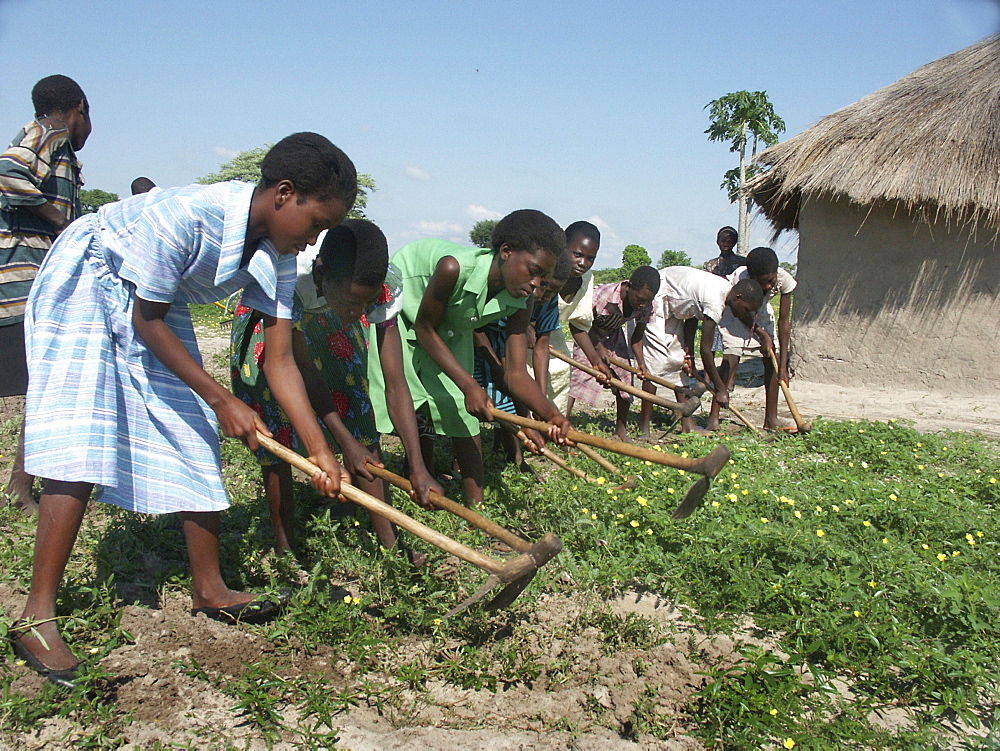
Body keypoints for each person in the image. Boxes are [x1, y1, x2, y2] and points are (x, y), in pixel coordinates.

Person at [12, 133, 355, 687]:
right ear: (284, 194)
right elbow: (146, 321)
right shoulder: (187, 216)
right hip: (92, 279)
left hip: (150, 300)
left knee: (192, 431)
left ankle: (210, 589)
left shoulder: (280, 255)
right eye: (315, 226)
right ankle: (37, 614)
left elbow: (282, 360)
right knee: (87, 433)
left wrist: (319, 451)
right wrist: (222, 399)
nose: (314, 241)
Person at [231, 219, 441, 558]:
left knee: (359, 411)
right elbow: (302, 373)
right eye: (352, 303)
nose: (358, 314)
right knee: (278, 435)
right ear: (320, 271)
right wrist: (344, 443)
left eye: (365, 304)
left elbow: (395, 382)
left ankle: (392, 547)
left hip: (325, 310)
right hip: (273, 325)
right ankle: (287, 552)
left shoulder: (377, 285)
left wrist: (416, 464)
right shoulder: (288, 275)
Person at [368, 209, 572, 506]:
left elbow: (515, 373)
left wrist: (551, 415)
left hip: (452, 321)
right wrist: (469, 385)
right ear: (506, 252)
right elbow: (425, 329)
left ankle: (476, 510)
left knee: (463, 414)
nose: (536, 285)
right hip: (403, 309)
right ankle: (411, 474)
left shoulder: (522, 299)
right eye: (534, 271)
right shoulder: (453, 268)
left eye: (543, 278)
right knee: (401, 393)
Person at [0, 75, 91, 515]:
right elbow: (6, 170)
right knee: (43, 382)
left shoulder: (56, 146)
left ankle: (21, 482)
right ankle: (21, 485)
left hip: (32, 281)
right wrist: (59, 220)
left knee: (43, 382)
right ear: (79, 107)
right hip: (24, 280)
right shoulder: (50, 133)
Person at [473, 249, 572, 470]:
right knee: (473, 405)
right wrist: (498, 369)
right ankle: (465, 464)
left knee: (510, 399)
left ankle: (516, 457)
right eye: (544, 286)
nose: (544, 295)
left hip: (506, 352)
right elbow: (475, 328)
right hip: (477, 347)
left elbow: (541, 347)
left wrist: (540, 400)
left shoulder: (546, 302)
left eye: (552, 290)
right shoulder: (516, 290)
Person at [640, 266, 763, 435]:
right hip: (659, 296)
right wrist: (721, 389)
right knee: (656, 362)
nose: (744, 314)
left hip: (674, 308)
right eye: (746, 309)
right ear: (738, 297)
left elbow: (692, 316)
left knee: (678, 359)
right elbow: (706, 351)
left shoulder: (724, 291)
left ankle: (688, 424)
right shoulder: (714, 302)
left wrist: (688, 353)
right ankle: (644, 429)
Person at [707, 247, 797, 431]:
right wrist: (760, 334)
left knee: (772, 363)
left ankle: (771, 419)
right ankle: (713, 417)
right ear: (751, 276)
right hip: (737, 315)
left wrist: (783, 365)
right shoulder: (740, 277)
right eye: (763, 283)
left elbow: (784, 322)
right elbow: (739, 310)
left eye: (771, 281)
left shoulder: (784, 279)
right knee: (730, 361)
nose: (769, 286)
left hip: (762, 316)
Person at [568, 265, 660, 440]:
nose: (643, 304)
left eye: (647, 301)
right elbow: (581, 323)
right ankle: (562, 421)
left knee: (625, 378)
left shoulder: (647, 306)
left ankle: (620, 429)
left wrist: (641, 362)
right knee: (579, 375)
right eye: (640, 299)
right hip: (588, 333)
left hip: (614, 334)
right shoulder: (604, 295)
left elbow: (636, 338)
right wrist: (598, 348)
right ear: (629, 286)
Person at [535, 220, 612, 413]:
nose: (583, 263)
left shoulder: (586, 278)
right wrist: (528, 329)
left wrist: (596, 362)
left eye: (590, 258)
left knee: (561, 368)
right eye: (577, 255)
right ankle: (526, 421)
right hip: (519, 325)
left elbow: (579, 323)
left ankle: (550, 420)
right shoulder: (545, 267)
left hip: (548, 330)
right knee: (525, 373)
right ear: (563, 247)